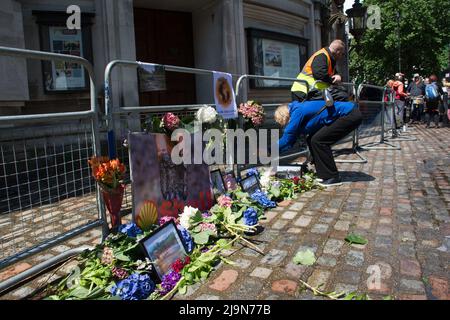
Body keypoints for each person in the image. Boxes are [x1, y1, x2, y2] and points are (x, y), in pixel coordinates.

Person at [275, 98, 362, 187]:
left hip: (349, 114)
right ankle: (323, 174)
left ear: (285, 115)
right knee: (312, 139)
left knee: (319, 141)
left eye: (284, 121)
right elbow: (290, 140)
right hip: (348, 114)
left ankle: (332, 177)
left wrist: (270, 150)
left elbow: (287, 137)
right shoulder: (297, 109)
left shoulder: (297, 111)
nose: (286, 124)